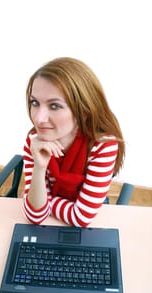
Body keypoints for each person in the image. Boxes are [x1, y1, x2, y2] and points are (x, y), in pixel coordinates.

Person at [22, 57, 125, 227]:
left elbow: (82, 218)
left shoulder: (103, 145)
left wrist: (46, 203)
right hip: (52, 224)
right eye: (35, 103)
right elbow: (34, 216)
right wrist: (40, 168)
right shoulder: (35, 142)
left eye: (54, 106)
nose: (39, 119)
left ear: (83, 110)